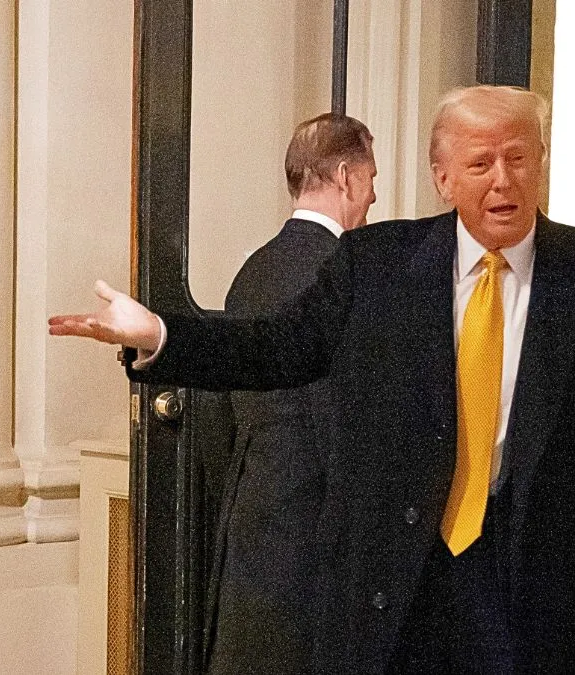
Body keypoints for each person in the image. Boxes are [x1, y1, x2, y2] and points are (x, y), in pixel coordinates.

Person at [50, 85, 575, 674]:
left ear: (540, 163)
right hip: (399, 578)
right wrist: (161, 334)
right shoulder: (377, 263)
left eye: (518, 157)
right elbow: (278, 347)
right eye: (481, 164)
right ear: (443, 177)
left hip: (535, 584)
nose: (503, 180)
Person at [208, 113, 376, 675]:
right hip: (319, 533)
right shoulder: (346, 272)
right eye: (372, 178)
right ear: (348, 177)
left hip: (253, 518)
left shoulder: (253, 268)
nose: (374, 196)